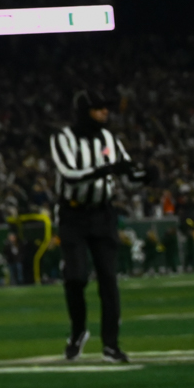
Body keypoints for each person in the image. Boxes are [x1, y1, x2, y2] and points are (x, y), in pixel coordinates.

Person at [50, 88, 145, 363]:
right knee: (76, 276)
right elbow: (69, 174)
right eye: (99, 108)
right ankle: (78, 331)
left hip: (103, 214)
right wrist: (105, 170)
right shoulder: (63, 138)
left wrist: (144, 175)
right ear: (84, 112)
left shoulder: (108, 138)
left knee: (108, 279)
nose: (105, 112)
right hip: (73, 214)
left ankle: (111, 344)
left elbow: (126, 170)